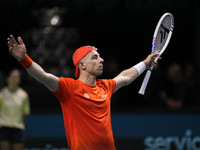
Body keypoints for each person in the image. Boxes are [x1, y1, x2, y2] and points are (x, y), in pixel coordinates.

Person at [7, 35, 160, 150]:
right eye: (95, 57)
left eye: (99, 57)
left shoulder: (105, 86)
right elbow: (44, 77)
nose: (101, 60)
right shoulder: (69, 88)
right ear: (82, 65)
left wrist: (146, 63)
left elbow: (125, 77)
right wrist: (23, 59)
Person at [0, 68, 30, 150]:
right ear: (7, 79)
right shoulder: (1, 94)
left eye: (17, 77)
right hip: (4, 127)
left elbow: (24, 114)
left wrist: (23, 129)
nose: (15, 79)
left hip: (18, 128)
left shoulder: (24, 95)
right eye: (13, 77)